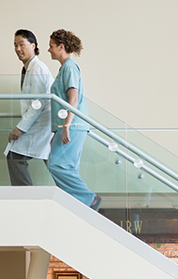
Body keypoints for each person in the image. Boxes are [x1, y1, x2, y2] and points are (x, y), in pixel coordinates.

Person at [47, 29, 101, 210]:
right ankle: (76, 204)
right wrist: (59, 129)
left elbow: (74, 99)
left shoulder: (70, 67)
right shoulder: (65, 68)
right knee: (67, 167)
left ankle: (88, 199)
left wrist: (66, 126)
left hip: (73, 125)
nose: (49, 50)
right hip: (70, 125)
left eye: (51, 46)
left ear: (61, 47)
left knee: (56, 165)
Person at [5, 29, 55, 186]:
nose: (18, 49)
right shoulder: (29, 68)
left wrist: (20, 128)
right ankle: (82, 199)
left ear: (33, 45)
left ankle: (26, 197)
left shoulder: (37, 68)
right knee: (54, 164)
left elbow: (38, 103)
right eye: (15, 45)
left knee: (15, 156)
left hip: (43, 122)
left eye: (21, 44)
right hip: (41, 122)